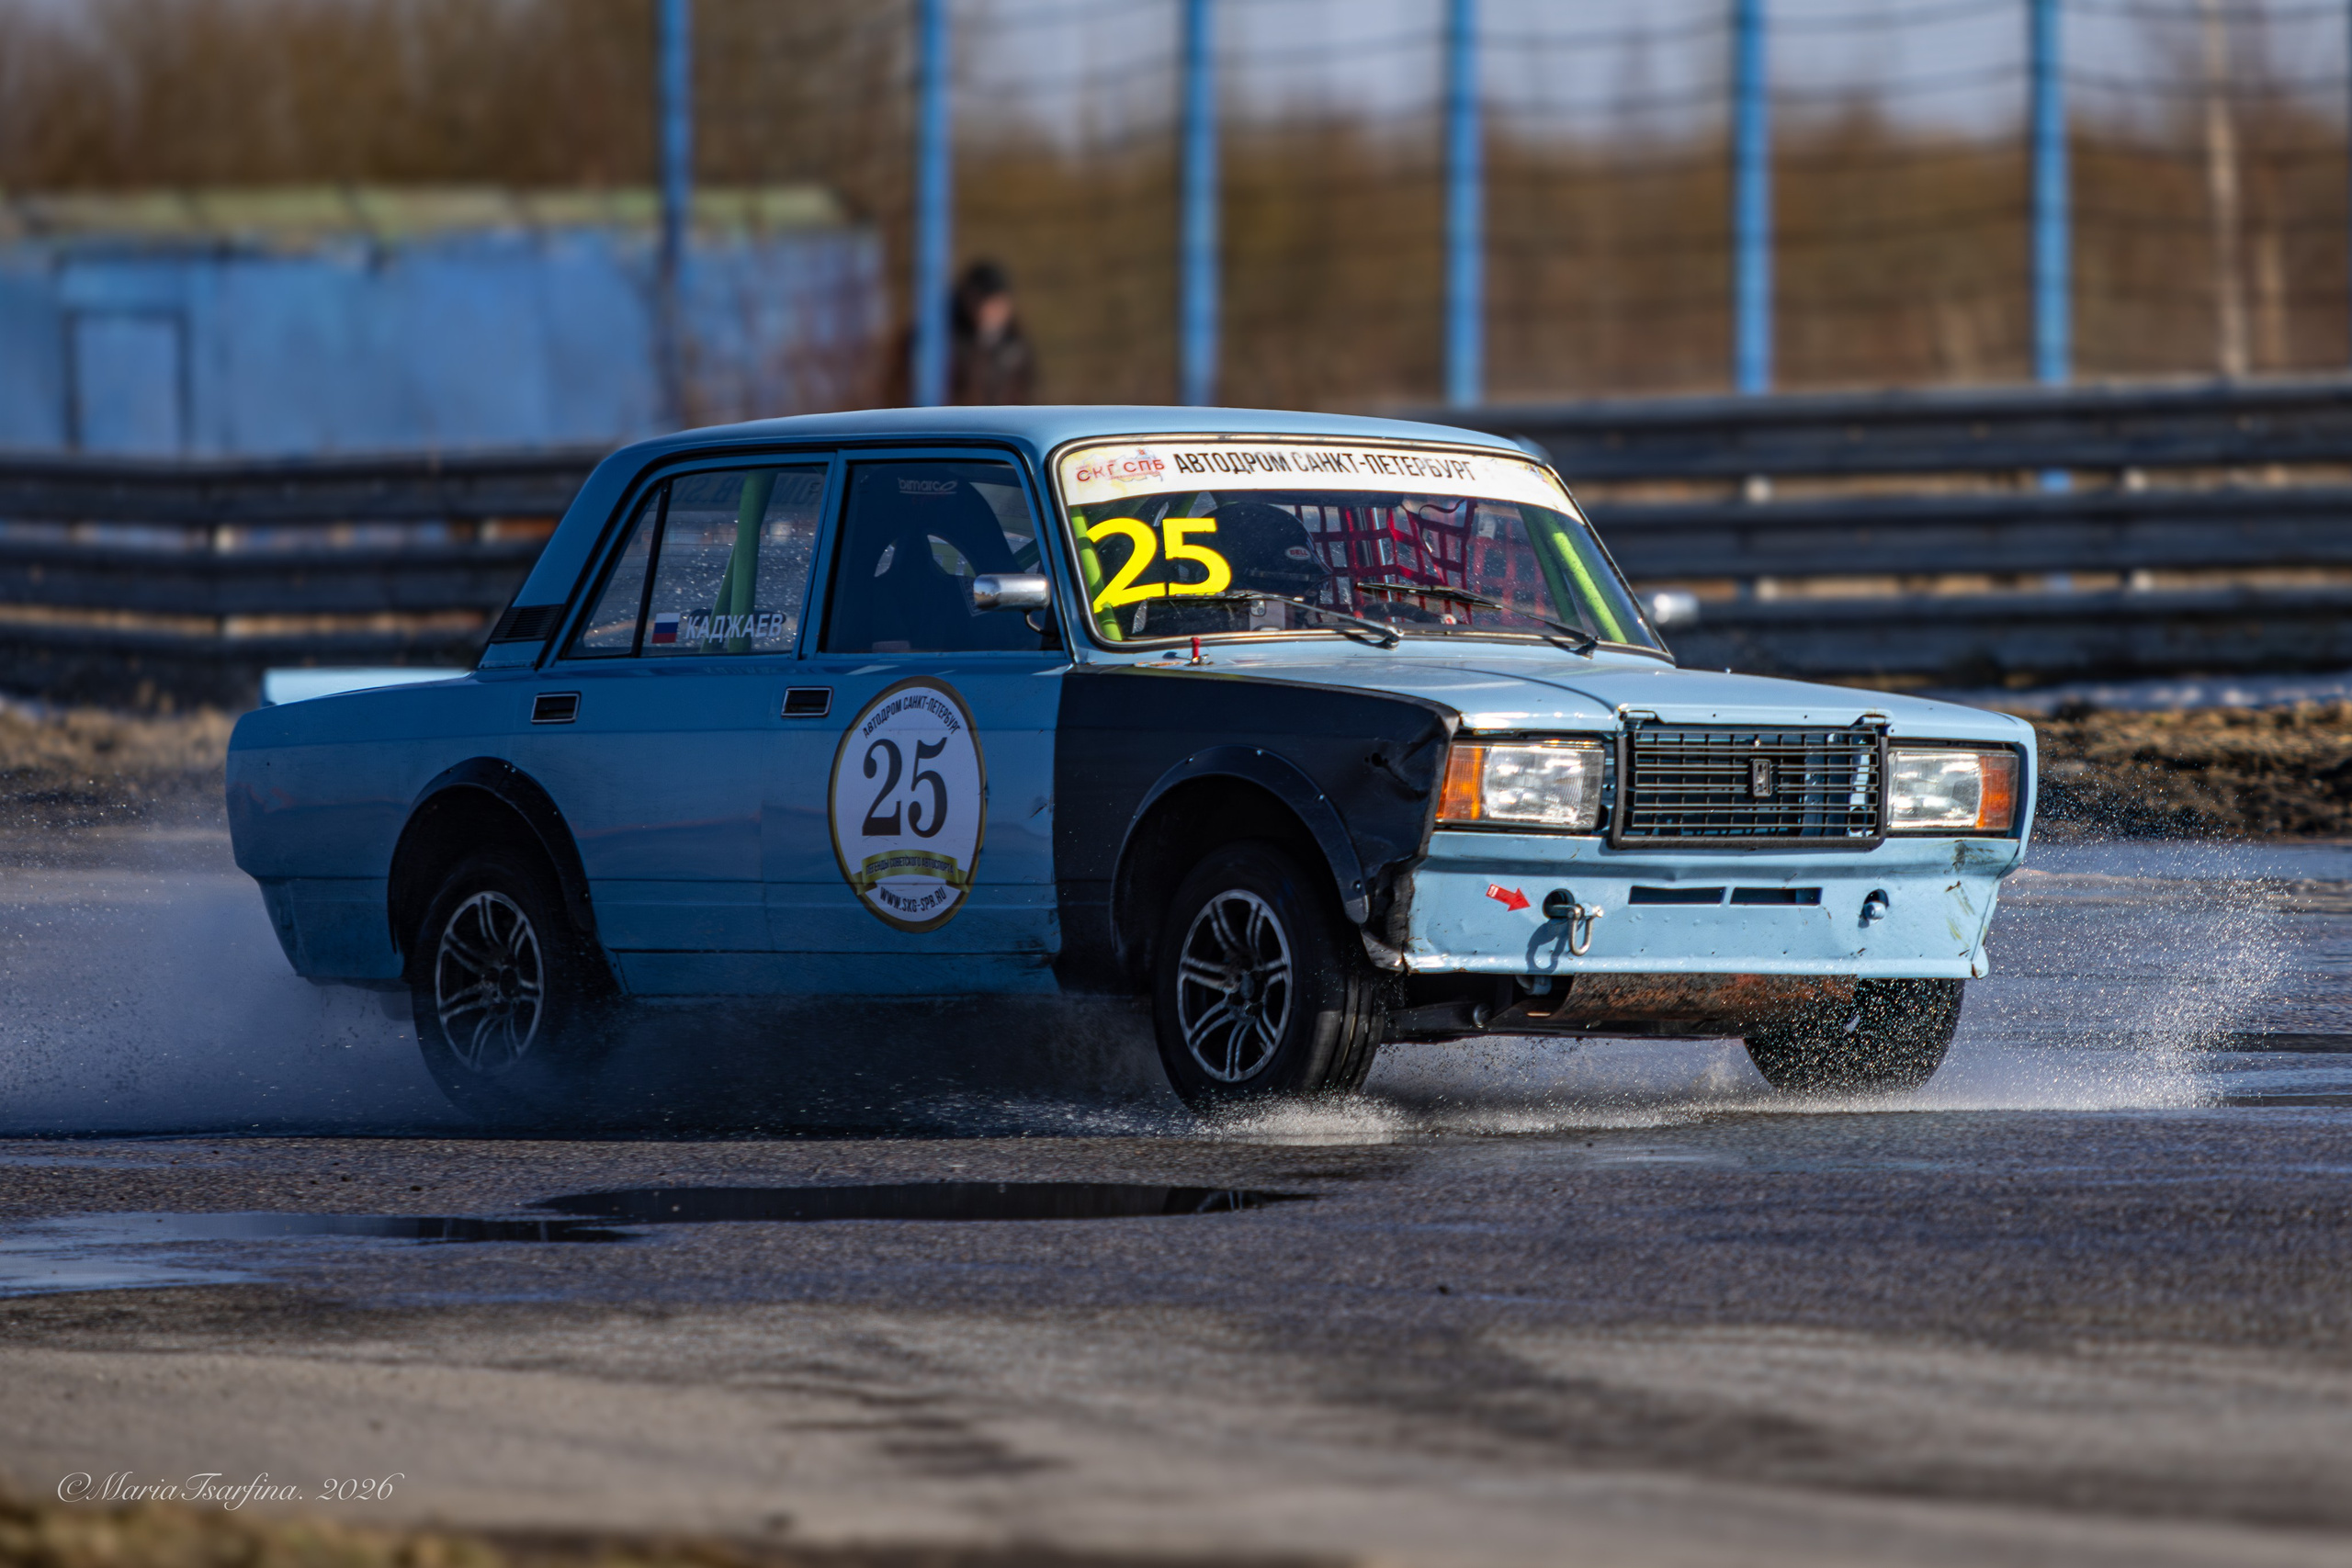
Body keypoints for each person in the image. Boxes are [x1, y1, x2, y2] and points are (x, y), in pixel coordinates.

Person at [886, 258, 1035, 406]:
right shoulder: (942, 338)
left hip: (998, 426)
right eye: (986, 304)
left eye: (997, 305)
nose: (990, 312)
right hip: (952, 423)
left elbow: (1026, 393)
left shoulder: (1015, 348)